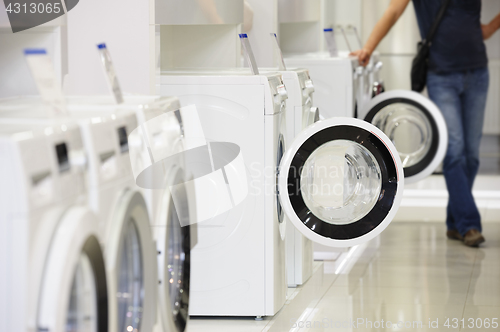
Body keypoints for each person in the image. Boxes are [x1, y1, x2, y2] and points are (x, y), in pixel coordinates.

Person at [351, 0, 500, 247]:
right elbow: (393, 11)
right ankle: (469, 223)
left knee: (472, 155)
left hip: (478, 74)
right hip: (441, 76)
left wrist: (492, 27)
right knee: (454, 152)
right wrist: (368, 48)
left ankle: (455, 222)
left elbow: (478, 28)